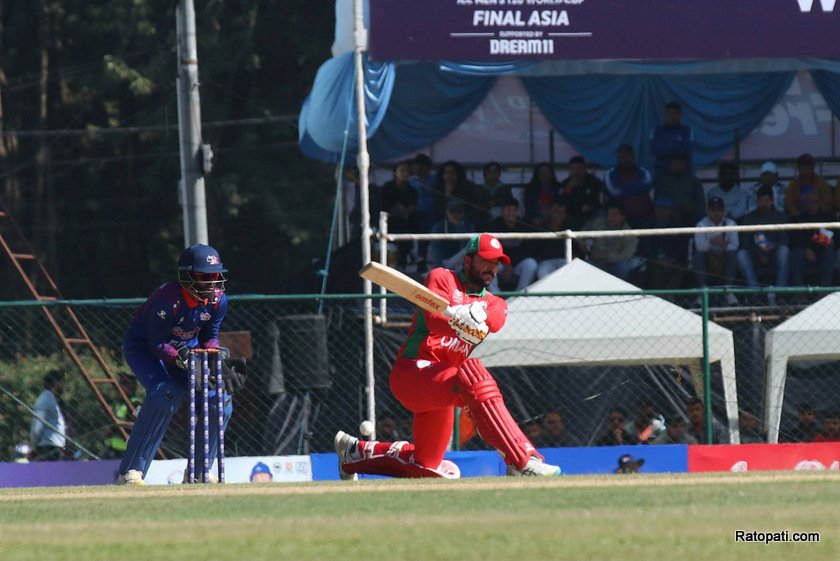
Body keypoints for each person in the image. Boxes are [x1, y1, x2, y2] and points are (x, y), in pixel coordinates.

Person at [334, 233, 563, 478]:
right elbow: (434, 319)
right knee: (474, 372)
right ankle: (522, 459)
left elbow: (495, 321)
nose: (492, 268)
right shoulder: (442, 278)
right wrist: (457, 318)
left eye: (497, 263)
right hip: (413, 373)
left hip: (444, 385)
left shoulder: (496, 302)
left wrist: (477, 316)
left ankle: (354, 454)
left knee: (425, 465)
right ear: (468, 260)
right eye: (486, 260)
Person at [115, 244, 247, 485]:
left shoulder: (218, 301)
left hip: (187, 351)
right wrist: (181, 357)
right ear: (187, 276)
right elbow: (156, 344)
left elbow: (210, 336)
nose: (211, 283)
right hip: (146, 349)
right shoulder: (168, 301)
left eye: (215, 276)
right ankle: (130, 472)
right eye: (204, 277)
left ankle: (199, 471)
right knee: (165, 394)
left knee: (221, 400)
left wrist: (215, 357)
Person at [736, 186, 789, 304]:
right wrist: (758, 252)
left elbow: (785, 239)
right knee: (741, 255)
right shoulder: (750, 218)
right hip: (755, 255)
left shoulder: (781, 217)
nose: (764, 204)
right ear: (757, 202)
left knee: (784, 251)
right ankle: (754, 293)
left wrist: (771, 249)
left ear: (772, 201)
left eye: (766, 201)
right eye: (761, 201)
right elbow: (745, 242)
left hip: (774, 255)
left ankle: (779, 293)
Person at [485, 197, 539, 292]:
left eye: (514, 210)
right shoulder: (494, 225)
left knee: (531, 264)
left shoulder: (525, 225)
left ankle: (520, 295)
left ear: (518, 211)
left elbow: (528, 250)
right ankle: (497, 296)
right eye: (508, 210)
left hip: (517, 263)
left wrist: (510, 264)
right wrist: (506, 264)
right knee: (488, 263)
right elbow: (491, 249)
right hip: (500, 264)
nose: (511, 213)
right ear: (502, 211)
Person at [692, 196, 739, 305]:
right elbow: (699, 246)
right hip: (708, 258)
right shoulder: (701, 224)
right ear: (708, 211)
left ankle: (728, 290)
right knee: (698, 256)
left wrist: (723, 245)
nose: (716, 213)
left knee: (733, 254)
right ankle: (703, 292)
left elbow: (735, 245)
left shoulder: (731, 224)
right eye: (713, 210)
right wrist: (711, 242)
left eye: (719, 209)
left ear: (723, 210)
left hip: (724, 257)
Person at [578, 203, 639, 281]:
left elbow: (626, 256)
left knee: (624, 267)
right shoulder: (598, 222)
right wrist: (582, 243)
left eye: (613, 215)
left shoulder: (630, 235)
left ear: (622, 217)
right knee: (585, 266)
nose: (609, 218)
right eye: (608, 214)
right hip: (596, 263)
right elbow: (582, 233)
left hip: (615, 266)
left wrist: (606, 256)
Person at [639, 197, 689, 290]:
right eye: (660, 208)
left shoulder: (677, 225)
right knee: (653, 269)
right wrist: (656, 260)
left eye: (665, 208)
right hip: (653, 261)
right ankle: (660, 296)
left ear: (670, 210)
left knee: (679, 268)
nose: (663, 212)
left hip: (673, 261)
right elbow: (645, 247)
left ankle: (670, 295)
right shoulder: (648, 225)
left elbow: (682, 246)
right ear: (655, 210)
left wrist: (671, 259)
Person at [789, 190, 837, 287]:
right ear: (805, 204)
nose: (812, 205)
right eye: (809, 202)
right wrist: (807, 249)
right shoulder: (799, 218)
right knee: (796, 253)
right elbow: (795, 239)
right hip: (804, 252)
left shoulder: (829, 217)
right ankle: (799, 293)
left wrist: (824, 240)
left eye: (815, 202)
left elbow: (835, 239)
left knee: (830, 252)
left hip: (822, 251)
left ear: (820, 203)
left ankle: (824, 291)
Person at [603, 144, 654, 228]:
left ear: (634, 157)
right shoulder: (610, 174)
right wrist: (637, 187)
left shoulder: (643, 171)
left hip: (644, 216)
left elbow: (647, 186)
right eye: (623, 157)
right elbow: (614, 191)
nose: (627, 159)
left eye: (629, 156)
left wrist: (624, 187)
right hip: (621, 219)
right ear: (618, 158)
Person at [381, 159, 419, 267]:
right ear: (395, 173)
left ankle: (405, 262)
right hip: (389, 222)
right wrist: (397, 210)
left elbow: (413, 208)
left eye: (407, 171)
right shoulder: (387, 188)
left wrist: (404, 211)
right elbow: (385, 207)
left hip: (407, 222)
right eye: (402, 170)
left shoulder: (412, 190)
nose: (405, 173)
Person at [652, 153, 706, 227]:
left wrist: (692, 210)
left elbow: (701, 205)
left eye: (681, 164)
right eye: (674, 164)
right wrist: (672, 211)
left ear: (686, 165)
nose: (678, 167)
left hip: (691, 217)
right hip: (670, 218)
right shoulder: (663, 182)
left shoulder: (694, 182)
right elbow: (659, 204)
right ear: (670, 165)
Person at [101, 372, 143, 459]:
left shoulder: (136, 404)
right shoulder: (117, 403)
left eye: (124, 384)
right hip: (111, 448)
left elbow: (137, 424)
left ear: (133, 387)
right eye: (120, 383)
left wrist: (116, 426)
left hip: (125, 450)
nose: (120, 387)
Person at [650, 101, 695, 179]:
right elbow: (654, 150)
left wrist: (666, 147)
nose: (672, 116)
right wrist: (678, 147)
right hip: (662, 175)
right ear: (665, 115)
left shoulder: (688, 130)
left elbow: (688, 150)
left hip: (684, 176)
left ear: (680, 115)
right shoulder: (656, 131)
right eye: (670, 114)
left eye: (675, 114)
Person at [29, 370, 67, 461]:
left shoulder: (52, 400)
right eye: (61, 382)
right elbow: (37, 427)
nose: (63, 385)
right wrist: (33, 448)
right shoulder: (45, 400)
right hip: (48, 448)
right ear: (55, 382)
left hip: (54, 447)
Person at [427, 199, 475, 269]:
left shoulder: (468, 226)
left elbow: (468, 246)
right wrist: (439, 267)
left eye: (458, 211)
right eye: (452, 211)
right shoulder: (439, 226)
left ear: (463, 212)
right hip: (444, 261)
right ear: (447, 212)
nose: (455, 214)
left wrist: (459, 226)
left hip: (462, 261)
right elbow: (435, 248)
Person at [560, 155, 605, 228]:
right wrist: (568, 188)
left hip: (591, 215)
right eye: (573, 169)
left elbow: (600, 201)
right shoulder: (565, 184)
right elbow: (561, 202)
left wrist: (590, 207)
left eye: (579, 168)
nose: (576, 172)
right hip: (572, 216)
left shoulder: (594, 182)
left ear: (585, 168)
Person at [533, 197, 571, 280]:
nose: (559, 215)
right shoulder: (542, 226)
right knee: (542, 272)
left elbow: (578, 248)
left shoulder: (569, 226)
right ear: (550, 211)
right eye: (556, 212)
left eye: (562, 212)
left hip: (565, 260)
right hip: (547, 262)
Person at [785, 153, 834, 218]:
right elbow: (789, 203)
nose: (806, 169)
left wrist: (819, 210)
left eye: (808, 165)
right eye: (803, 166)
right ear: (799, 168)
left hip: (819, 215)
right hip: (799, 217)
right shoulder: (793, 184)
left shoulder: (822, 183)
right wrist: (797, 214)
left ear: (813, 167)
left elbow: (827, 201)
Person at [523, 162, 561, 227]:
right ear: (537, 174)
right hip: (536, 216)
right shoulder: (530, 189)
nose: (544, 175)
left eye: (547, 172)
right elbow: (529, 206)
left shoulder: (557, 188)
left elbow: (560, 202)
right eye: (542, 173)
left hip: (555, 215)